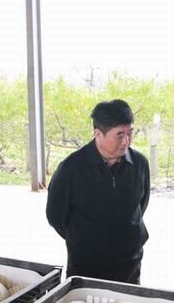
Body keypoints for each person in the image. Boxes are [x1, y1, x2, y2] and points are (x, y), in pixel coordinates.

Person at [46, 99, 150, 284]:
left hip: (129, 264)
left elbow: (141, 205)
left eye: (129, 133)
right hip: (86, 265)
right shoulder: (71, 168)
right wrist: (84, 239)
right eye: (119, 135)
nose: (126, 141)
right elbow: (55, 216)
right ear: (98, 134)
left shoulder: (139, 164)